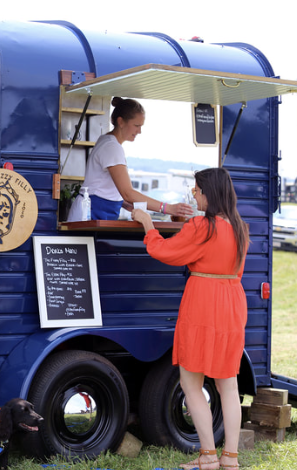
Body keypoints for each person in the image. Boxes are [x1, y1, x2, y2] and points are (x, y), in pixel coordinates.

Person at [132, 168, 249, 470]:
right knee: (229, 385)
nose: (194, 194)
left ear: (208, 193)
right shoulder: (239, 228)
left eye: (196, 190)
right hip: (232, 301)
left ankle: (208, 455)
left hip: (203, 302)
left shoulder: (201, 226)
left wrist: (148, 225)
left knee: (191, 381)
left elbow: (165, 251)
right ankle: (230, 458)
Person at [67, 96, 193, 221]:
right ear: (121, 122)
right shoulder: (112, 147)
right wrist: (168, 208)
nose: (139, 131)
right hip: (91, 213)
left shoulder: (107, 141)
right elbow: (127, 192)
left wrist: (122, 202)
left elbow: (101, 186)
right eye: (136, 125)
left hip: (95, 212)